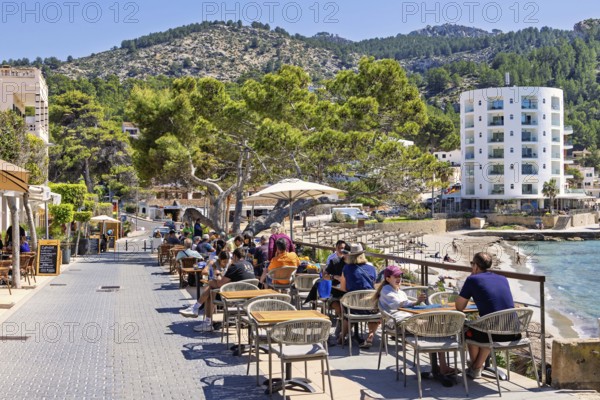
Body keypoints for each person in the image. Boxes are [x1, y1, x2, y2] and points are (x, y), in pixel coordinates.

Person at [455, 252, 520, 379]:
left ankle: (476, 368)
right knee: (485, 329)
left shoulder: (472, 279)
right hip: (514, 331)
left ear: (475, 266)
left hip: (493, 334)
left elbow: (459, 307)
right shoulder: (502, 278)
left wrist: (471, 278)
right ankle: (476, 368)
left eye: (472, 264)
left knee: (467, 330)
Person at [180, 248, 254, 331]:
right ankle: (197, 310)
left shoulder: (235, 266)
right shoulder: (250, 265)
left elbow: (220, 284)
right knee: (211, 289)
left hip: (234, 297)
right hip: (248, 298)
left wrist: (216, 275)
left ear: (235, 256)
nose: (231, 260)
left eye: (232, 258)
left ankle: (200, 313)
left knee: (211, 288)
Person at [338, 243, 379, 348]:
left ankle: (342, 336)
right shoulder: (371, 268)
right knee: (376, 311)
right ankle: (370, 335)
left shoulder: (346, 269)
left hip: (354, 307)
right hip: (370, 307)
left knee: (346, 309)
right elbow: (374, 285)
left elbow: (343, 288)